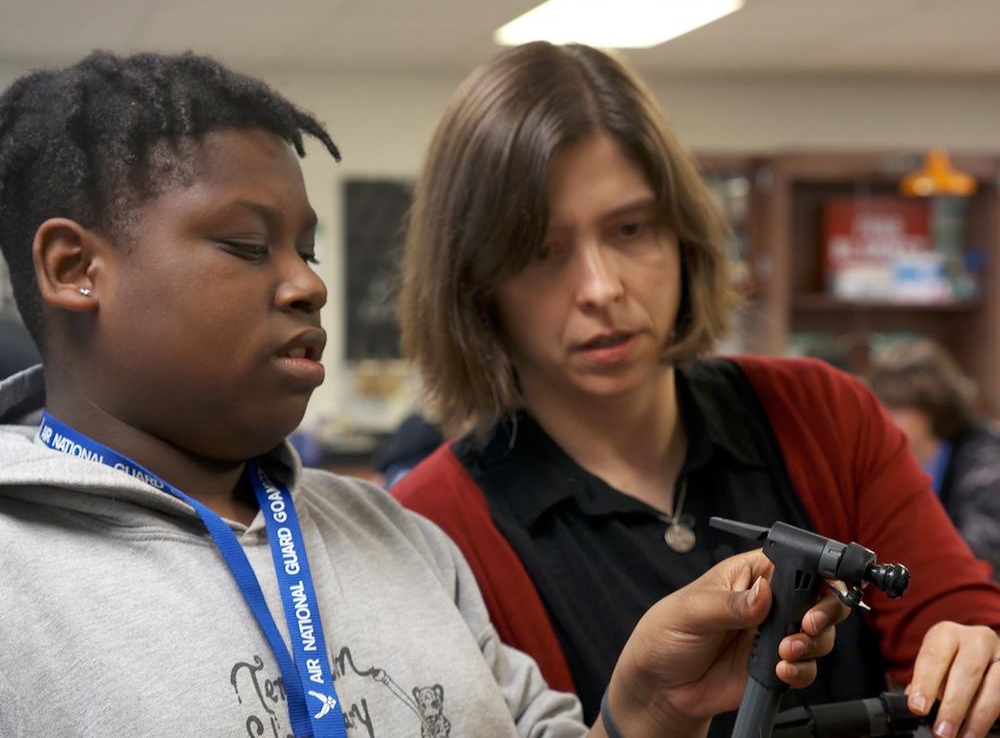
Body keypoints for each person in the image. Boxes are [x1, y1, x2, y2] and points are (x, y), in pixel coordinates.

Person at [0, 50, 844, 738]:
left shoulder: (400, 537)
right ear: (77, 270)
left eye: (307, 249)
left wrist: (647, 711)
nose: (307, 285)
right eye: (247, 246)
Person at [392, 41, 1000, 738]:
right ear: (475, 282)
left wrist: (974, 658)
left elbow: (957, 620)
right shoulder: (432, 527)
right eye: (542, 251)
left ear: (682, 233)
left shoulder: (822, 413)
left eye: (630, 229)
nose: (602, 288)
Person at [868, 338, 1000, 580]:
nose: (884, 417)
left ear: (932, 405)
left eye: (896, 405)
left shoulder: (986, 453)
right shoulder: (893, 459)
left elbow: (981, 547)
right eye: (881, 405)